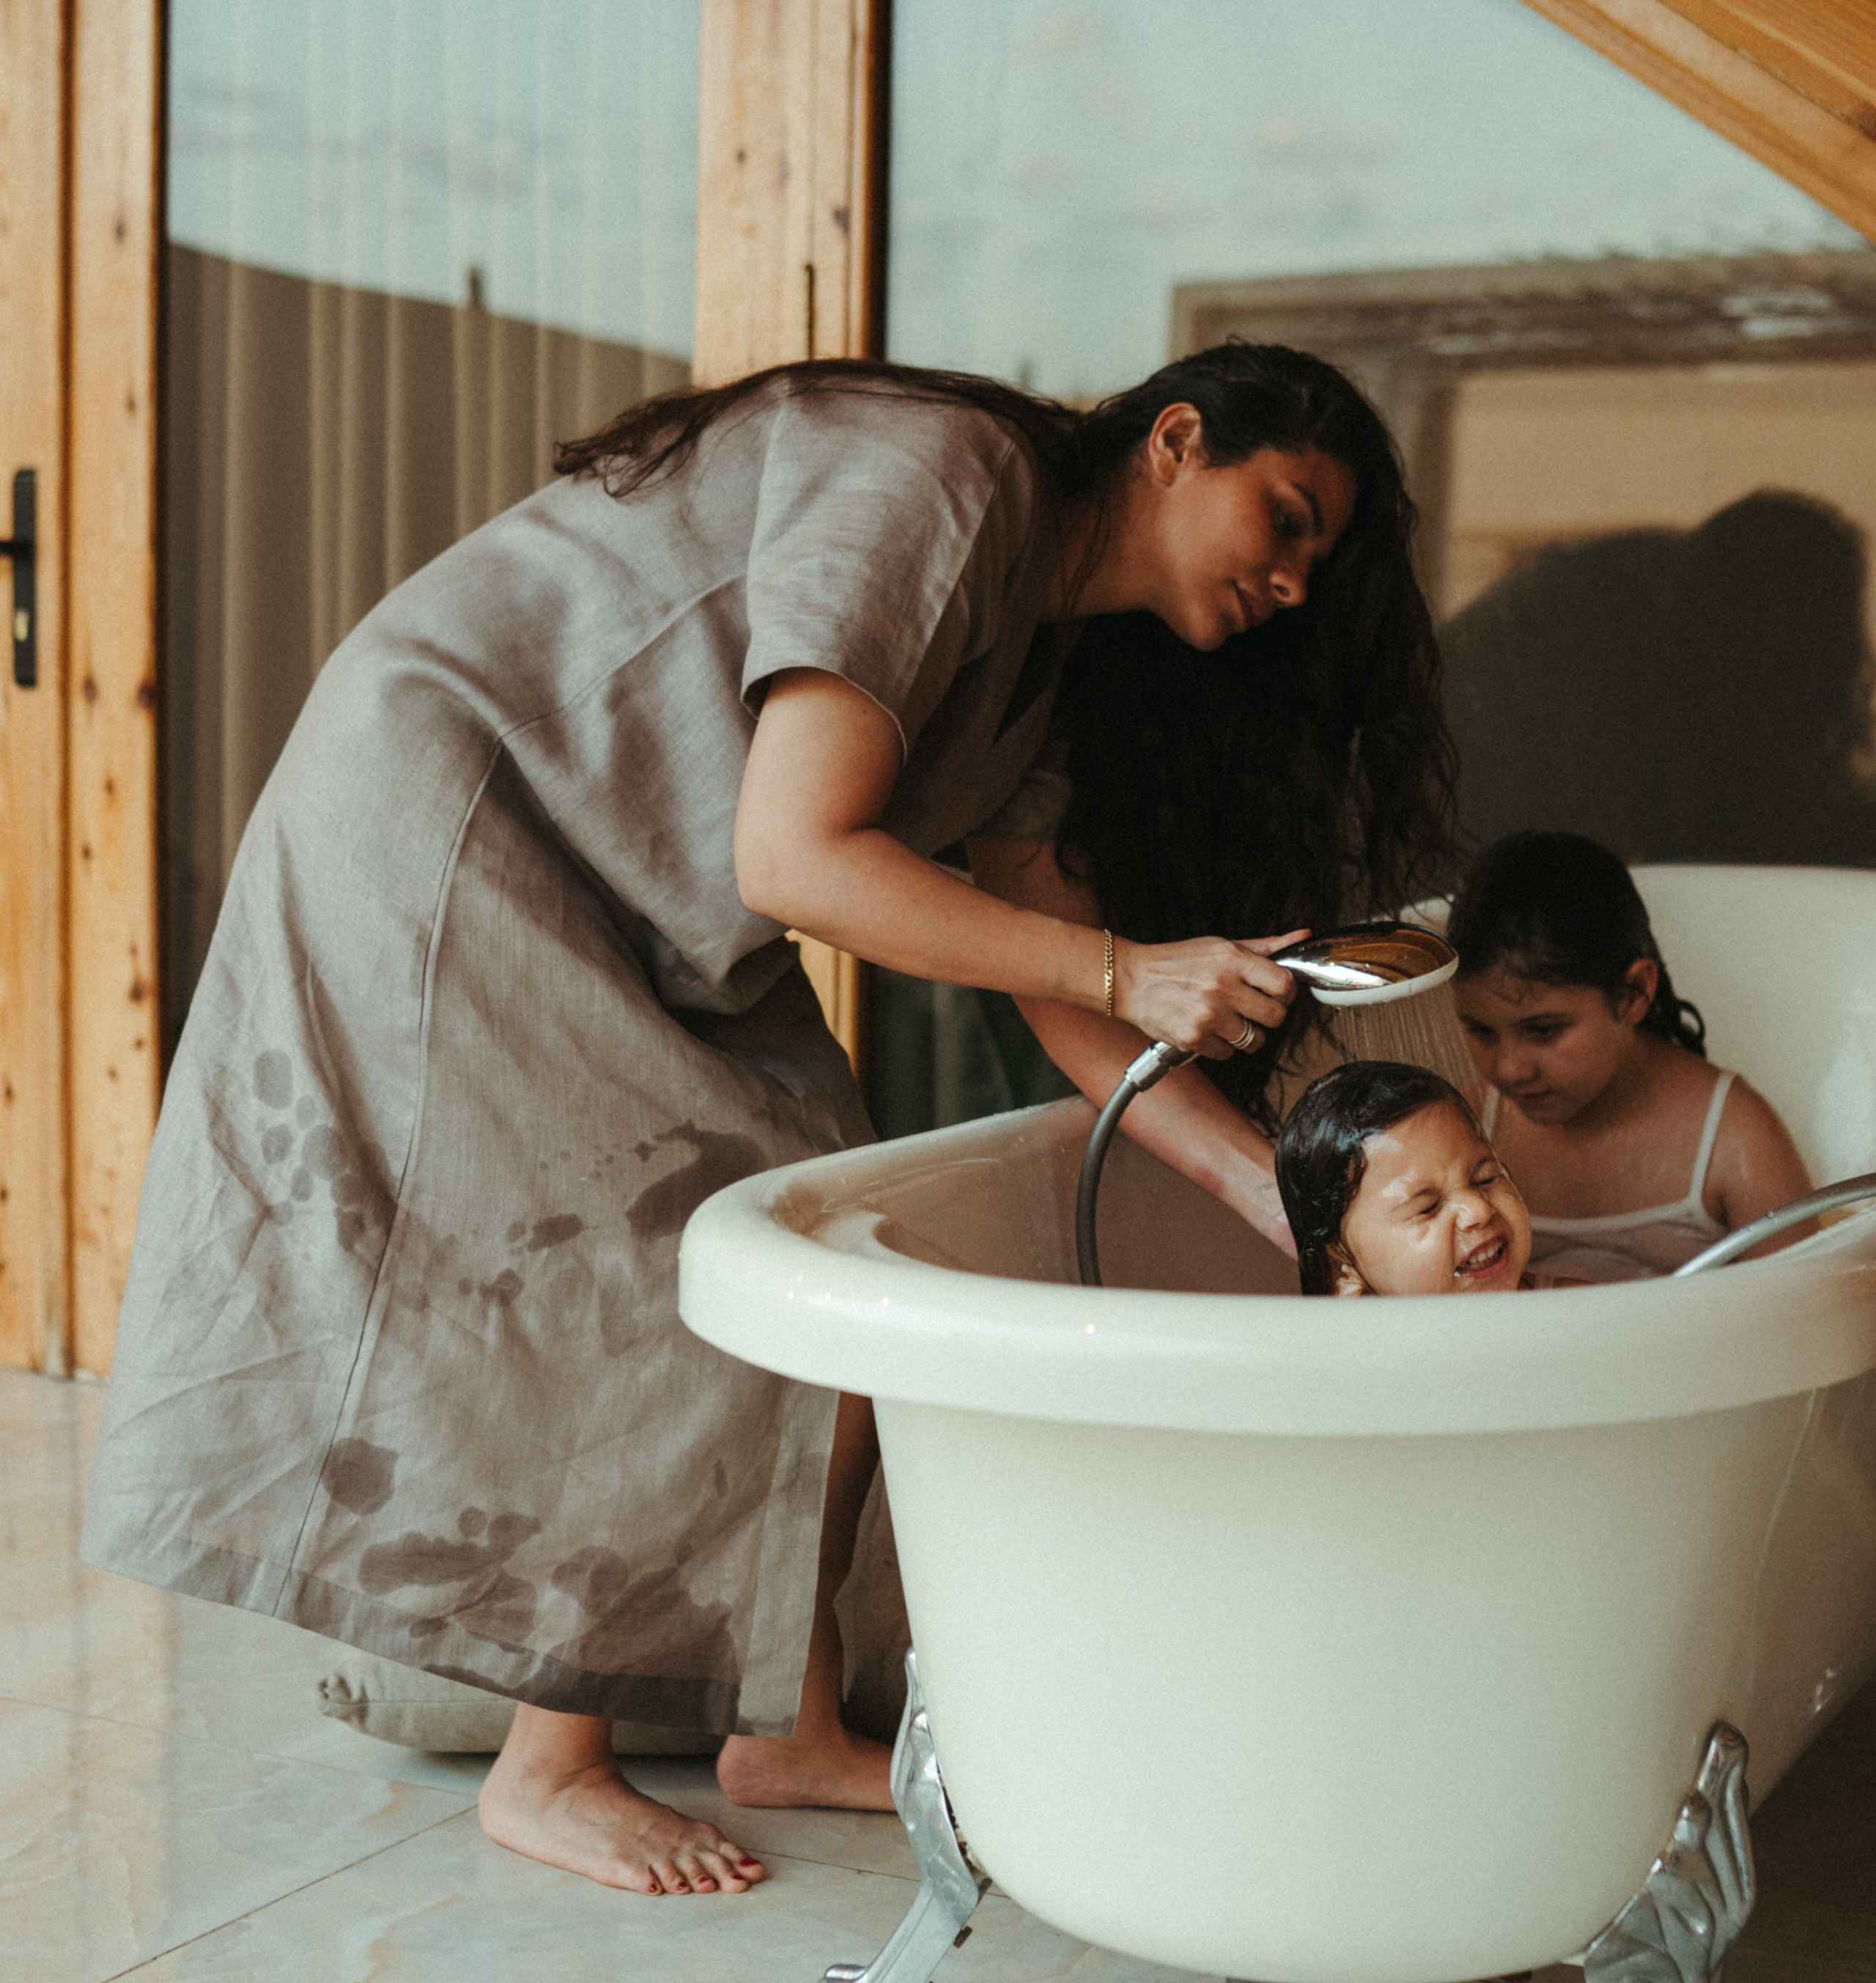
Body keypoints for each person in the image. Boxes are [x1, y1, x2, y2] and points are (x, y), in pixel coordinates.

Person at [83, 340, 1453, 1899]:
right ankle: (550, 1768)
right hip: (464, 804)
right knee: (682, 1248)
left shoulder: (1048, 665)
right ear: (1175, 441)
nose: (1289, 579)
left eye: (1314, 562)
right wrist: (1134, 969)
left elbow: (1047, 966)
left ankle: (783, 1727)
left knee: (820, 1222)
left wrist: (1269, 1189)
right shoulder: (947, 474)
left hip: (642, 894)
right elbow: (796, 859)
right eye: (1281, 519)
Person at [1448, 832, 1811, 1283]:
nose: (1509, 1069)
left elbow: (1809, 1306)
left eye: (1544, 1031)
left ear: (1633, 994)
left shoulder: (1732, 1136)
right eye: (1482, 1031)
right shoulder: (1472, 1131)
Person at [1275, 1060, 1536, 1295]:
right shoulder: (1360, 1348)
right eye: (1428, 1208)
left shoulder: (1567, 1307)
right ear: (1342, 1268)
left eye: (1486, 1179)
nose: (1479, 1209)